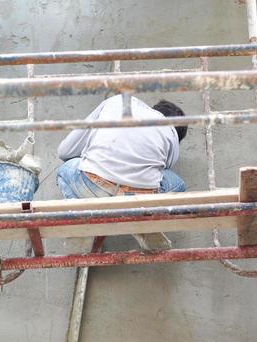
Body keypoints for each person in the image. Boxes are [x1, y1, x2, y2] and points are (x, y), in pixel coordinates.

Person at [56, 94, 187, 251]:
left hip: (93, 185)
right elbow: (165, 168)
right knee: (178, 184)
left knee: (64, 170)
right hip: (139, 200)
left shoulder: (116, 101)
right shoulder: (171, 132)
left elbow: (64, 152)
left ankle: (81, 224)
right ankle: (143, 224)